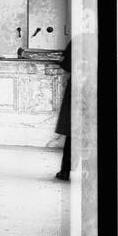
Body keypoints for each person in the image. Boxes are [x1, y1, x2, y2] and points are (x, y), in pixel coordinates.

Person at [54, 41, 71, 180]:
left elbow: (66, 64)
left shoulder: (78, 39)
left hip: (79, 87)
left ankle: (65, 171)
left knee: (72, 133)